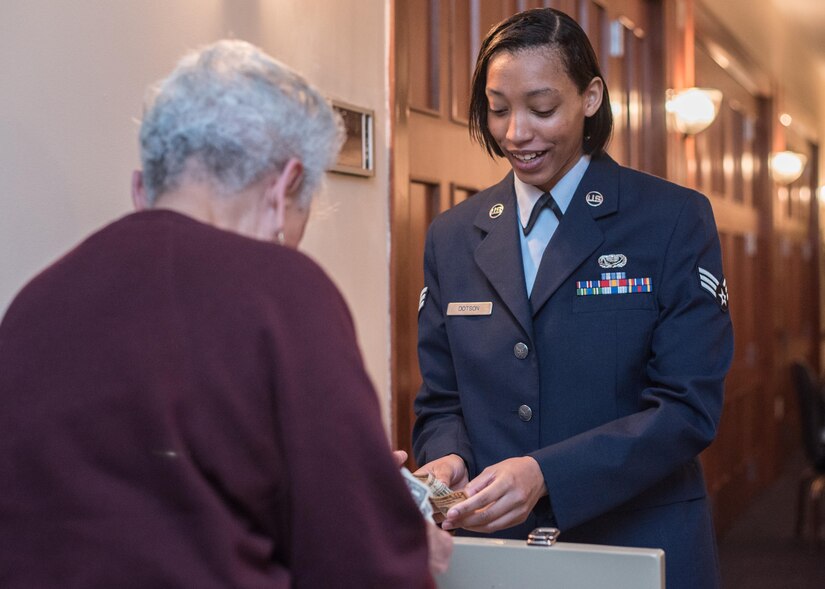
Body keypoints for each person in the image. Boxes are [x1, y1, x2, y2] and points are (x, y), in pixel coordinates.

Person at [0, 39, 450, 588]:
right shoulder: (283, 294)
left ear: (143, 186)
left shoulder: (34, 304)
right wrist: (404, 539)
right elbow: (359, 564)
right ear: (283, 191)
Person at [412, 8, 733, 589]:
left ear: (590, 98)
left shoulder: (671, 220)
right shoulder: (453, 235)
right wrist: (448, 458)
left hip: (635, 540)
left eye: (541, 109)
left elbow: (687, 408)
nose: (515, 134)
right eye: (499, 108)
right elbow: (441, 400)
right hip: (493, 549)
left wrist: (546, 473)